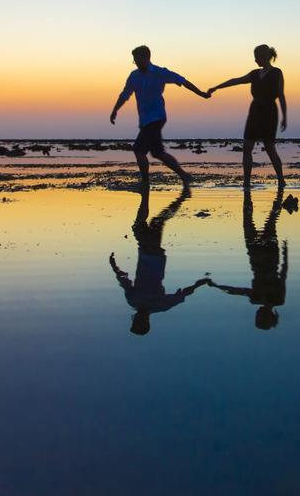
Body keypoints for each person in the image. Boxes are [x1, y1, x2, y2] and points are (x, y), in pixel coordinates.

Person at [109, 190, 210, 335]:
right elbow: (181, 296)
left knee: (146, 225)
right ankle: (180, 198)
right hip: (155, 257)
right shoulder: (159, 305)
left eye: (135, 321)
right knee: (153, 223)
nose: (137, 318)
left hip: (144, 254)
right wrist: (199, 283)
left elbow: (124, 281)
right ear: (146, 321)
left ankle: (162, 198)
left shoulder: (133, 301)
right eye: (140, 322)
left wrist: (114, 266)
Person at [110, 45, 210, 188]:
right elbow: (125, 94)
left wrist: (200, 93)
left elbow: (182, 81)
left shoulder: (159, 72)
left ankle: (145, 183)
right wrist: (115, 110)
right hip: (145, 120)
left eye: (138, 61)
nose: (137, 64)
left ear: (147, 58)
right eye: (134, 62)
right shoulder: (134, 76)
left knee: (138, 150)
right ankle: (184, 176)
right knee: (158, 153)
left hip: (156, 117)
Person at [207, 187, 289, 329]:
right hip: (269, 256)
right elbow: (283, 275)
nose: (256, 313)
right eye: (258, 316)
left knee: (248, 218)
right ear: (266, 317)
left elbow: (237, 291)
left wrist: (217, 286)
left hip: (255, 255)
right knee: (271, 219)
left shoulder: (256, 298)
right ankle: (279, 194)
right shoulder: (277, 299)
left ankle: (249, 193)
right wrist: (285, 253)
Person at [206, 44, 287, 187]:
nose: (255, 60)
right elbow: (235, 81)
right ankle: (246, 183)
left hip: (269, 112)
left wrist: (284, 117)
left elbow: (281, 95)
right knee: (247, 147)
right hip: (255, 112)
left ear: (265, 57)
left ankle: (281, 180)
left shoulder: (277, 73)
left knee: (269, 148)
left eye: (257, 57)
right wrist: (216, 87)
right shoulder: (254, 74)